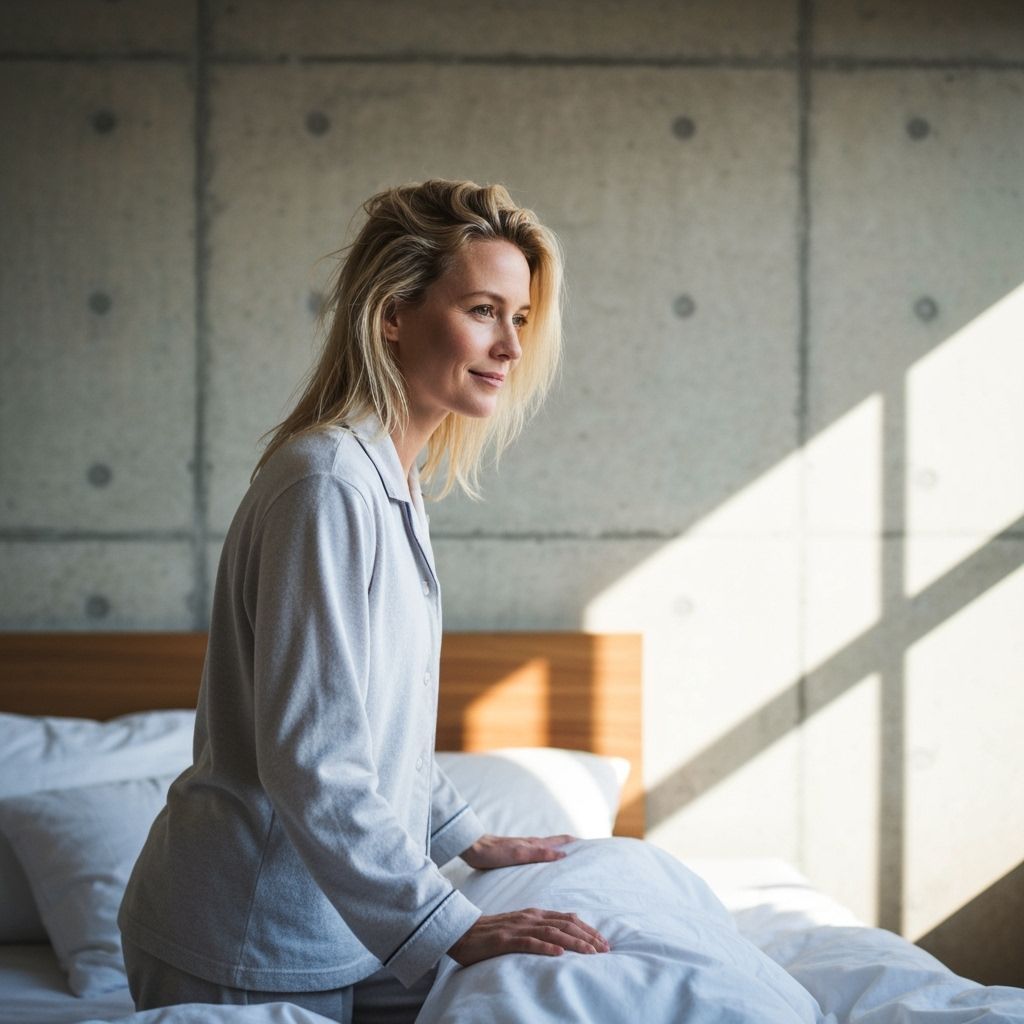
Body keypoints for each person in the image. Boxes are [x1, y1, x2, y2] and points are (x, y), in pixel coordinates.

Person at [117, 179, 609, 1024]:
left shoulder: (392, 480)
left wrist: (460, 836)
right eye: (485, 310)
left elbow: (384, 723)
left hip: (322, 927)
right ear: (392, 315)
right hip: (245, 937)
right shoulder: (328, 483)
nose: (510, 348)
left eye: (520, 319)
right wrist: (450, 922)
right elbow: (315, 758)